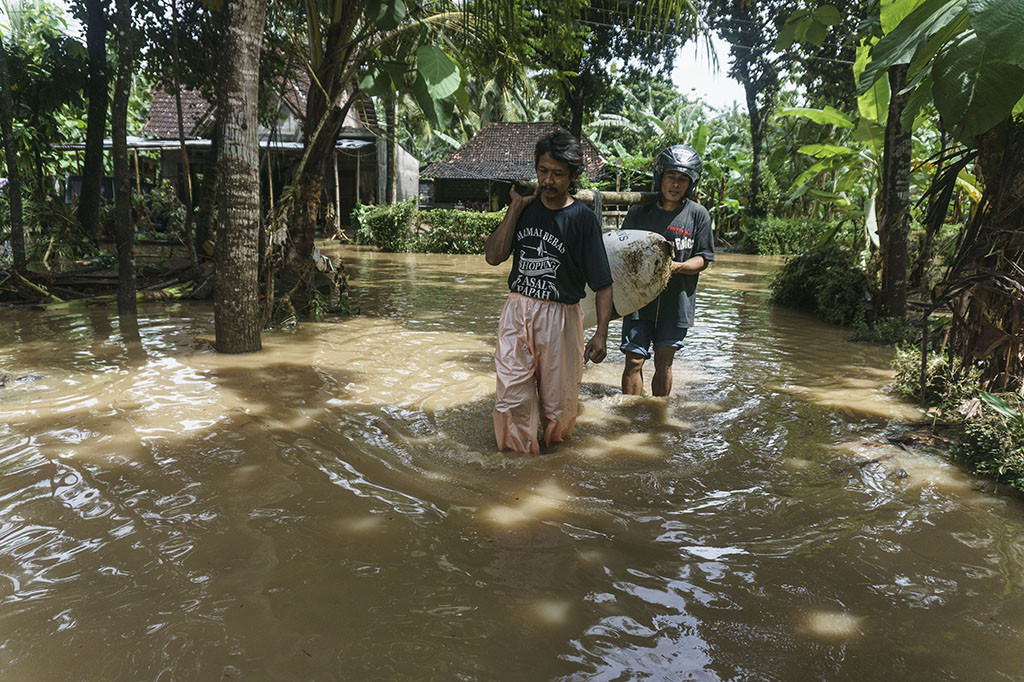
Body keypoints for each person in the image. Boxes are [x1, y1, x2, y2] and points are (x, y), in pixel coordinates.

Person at [485, 130, 614, 454]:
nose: (548, 180)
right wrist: (514, 207)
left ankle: (554, 463)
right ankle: (516, 468)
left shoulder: (582, 220)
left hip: (562, 318)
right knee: (511, 396)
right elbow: (493, 256)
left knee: (559, 408)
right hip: (517, 310)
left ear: (572, 176)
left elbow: (602, 284)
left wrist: (601, 333)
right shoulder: (525, 209)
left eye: (557, 174)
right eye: (543, 171)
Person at [620, 144, 714, 397]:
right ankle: (628, 416)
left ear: (691, 184)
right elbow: (621, 249)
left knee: (664, 362)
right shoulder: (640, 211)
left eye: (683, 179)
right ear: (660, 177)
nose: (675, 184)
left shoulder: (698, 215)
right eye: (671, 177)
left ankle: (657, 418)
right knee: (634, 361)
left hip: (677, 302)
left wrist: (677, 267)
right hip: (639, 300)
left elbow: (703, 259)